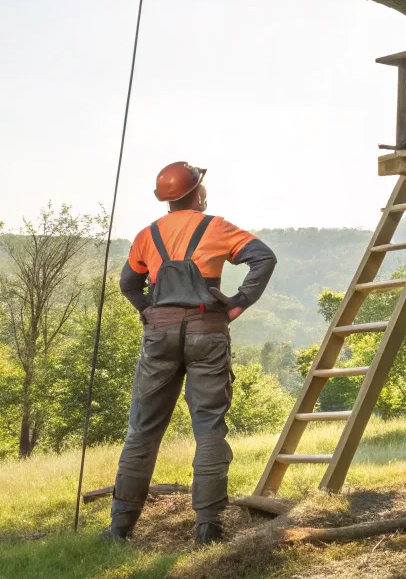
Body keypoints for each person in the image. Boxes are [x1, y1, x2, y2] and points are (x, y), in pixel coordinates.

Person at [104, 161, 277, 546]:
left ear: (165, 198)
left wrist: (149, 311)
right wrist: (238, 302)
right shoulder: (216, 227)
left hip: (159, 336)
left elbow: (129, 283)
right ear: (197, 193)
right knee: (209, 428)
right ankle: (208, 527)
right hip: (207, 332)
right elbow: (263, 257)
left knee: (143, 430)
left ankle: (119, 528)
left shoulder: (147, 235)